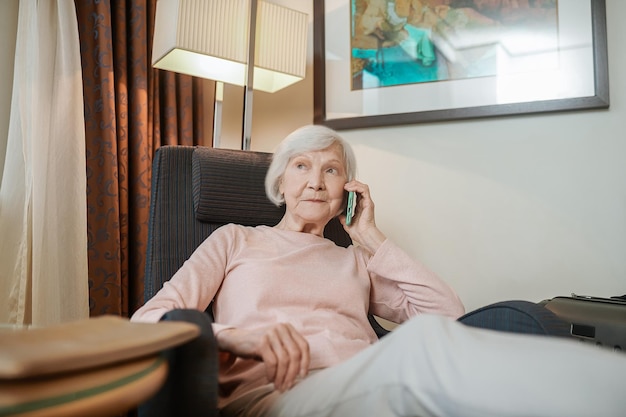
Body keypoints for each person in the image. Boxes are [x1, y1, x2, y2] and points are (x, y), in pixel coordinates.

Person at [132, 125, 626, 417]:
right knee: (422, 352)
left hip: (364, 381)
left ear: (347, 190)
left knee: (433, 344)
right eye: (301, 167)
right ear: (280, 182)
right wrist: (236, 338)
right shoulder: (237, 239)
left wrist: (369, 236)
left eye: (331, 170)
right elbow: (147, 322)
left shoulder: (356, 260)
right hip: (277, 396)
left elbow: (446, 313)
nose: (316, 181)